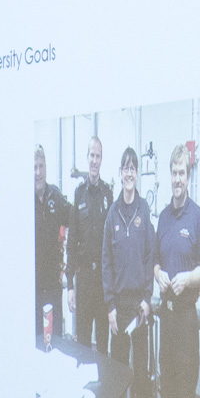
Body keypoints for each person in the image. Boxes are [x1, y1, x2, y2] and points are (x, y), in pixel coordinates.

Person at [155, 144, 200, 398]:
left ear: (188, 177)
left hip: (187, 318)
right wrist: (158, 274)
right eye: (174, 173)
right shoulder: (163, 217)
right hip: (167, 316)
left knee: (185, 390)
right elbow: (154, 261)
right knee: (167, 389)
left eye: (182, 173)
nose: (177, 179)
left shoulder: (196, 216)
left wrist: (187, 278)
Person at [104, 146, 157, 398]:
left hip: (140, 308)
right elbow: (106, 262)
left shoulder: (144, 211)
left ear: (137, 173)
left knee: (141, 373)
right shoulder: (112, 213)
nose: (129, 173)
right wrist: (110, 306)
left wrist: (148, 299)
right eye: (125, 168)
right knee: (118, 372)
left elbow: (150, 256)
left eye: (132, 168)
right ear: (120, 173)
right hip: (119, 308)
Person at [68, 137, 113, 356]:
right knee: (83, 344)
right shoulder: (79, 194)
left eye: (98, 156)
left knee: (103, 344)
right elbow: (71, 241)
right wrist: (70, 285)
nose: (94, 160)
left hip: (102, 283)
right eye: (91, 156)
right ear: (87, 159)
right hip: (84, 280)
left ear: (101, 160)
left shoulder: (108, 194)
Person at [33, 146, 73, 349]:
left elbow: (74, 219)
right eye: (34, 168)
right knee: (37, 346)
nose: (37, 173)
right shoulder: (23, 202)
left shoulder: (55, 197)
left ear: (46, 168)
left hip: (54, 291)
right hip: (33, 293)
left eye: (41, 167)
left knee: (57, 345)